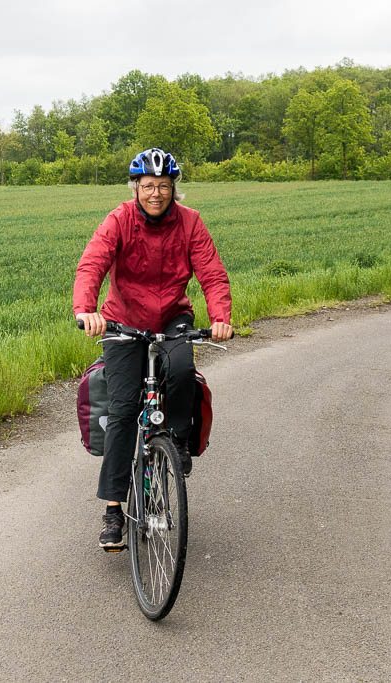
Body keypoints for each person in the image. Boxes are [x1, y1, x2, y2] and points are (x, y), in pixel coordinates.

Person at [73, 147, 233, 550]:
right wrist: (86, 310)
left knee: (181, 369)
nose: (156, 193)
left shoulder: (191, 222)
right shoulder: (119, 219)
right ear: (136, 188)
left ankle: (176, 442)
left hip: (172, 317)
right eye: (148, 186)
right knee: (124, 410)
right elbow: (92, 263)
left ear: (173, 188)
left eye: (163, 186)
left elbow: (212, 273)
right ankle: (113, 509)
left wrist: (220, 317)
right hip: (122, 321)